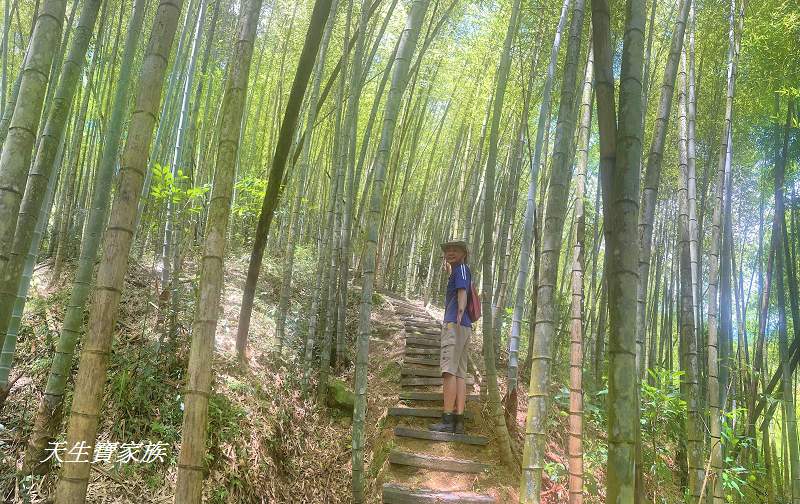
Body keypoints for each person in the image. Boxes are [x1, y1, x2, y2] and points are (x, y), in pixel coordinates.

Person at [429, 240, 472, 434]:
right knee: (460, 373)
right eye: (447, 250)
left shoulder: (462, 269)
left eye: (455, 250)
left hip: (455, 323)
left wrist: (459, 313)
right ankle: (458, 421)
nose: (450, 252)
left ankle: (447, 419)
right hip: (463, 325)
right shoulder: (457, 270)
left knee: (448, 371)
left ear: (464, 253)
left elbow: (462, 291)